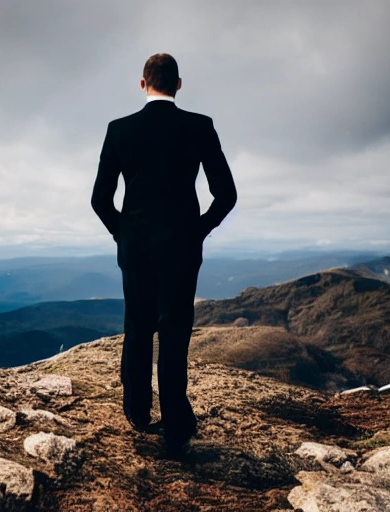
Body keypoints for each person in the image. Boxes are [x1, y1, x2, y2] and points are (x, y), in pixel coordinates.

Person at [91, 53, 237, 451]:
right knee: (174, 331)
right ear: (178, 84)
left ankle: (137, 411)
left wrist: (124, 234)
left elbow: (100, 199)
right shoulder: (199, 127)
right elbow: (226, 194)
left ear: (143, 84)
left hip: (135, 246)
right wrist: (198, 231)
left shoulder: (119, 130)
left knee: (138, 326)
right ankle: (175, 421)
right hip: (180, 248)